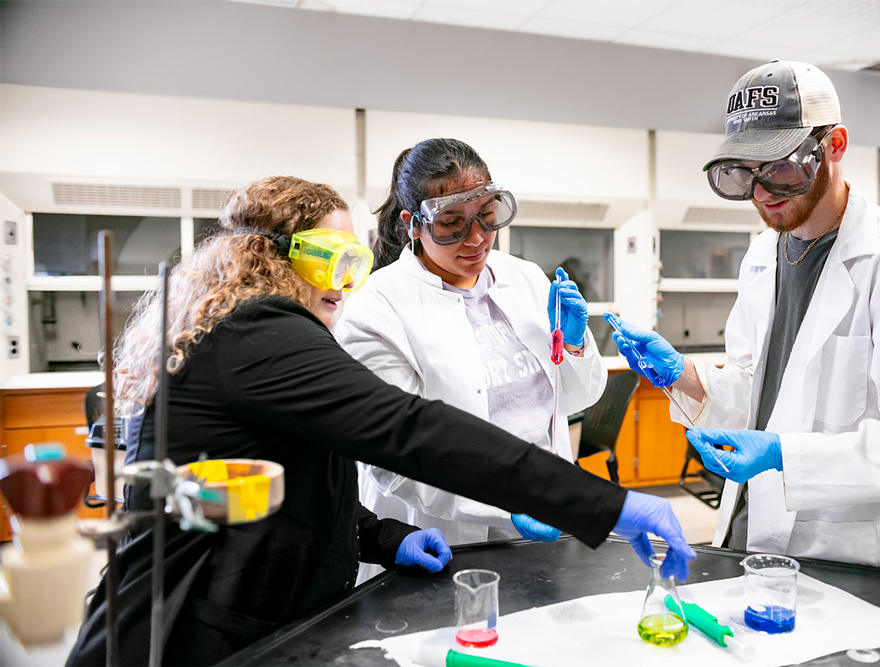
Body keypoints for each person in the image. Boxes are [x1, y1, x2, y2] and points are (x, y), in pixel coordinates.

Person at [66, 176, 694, 666]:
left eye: (356, 262)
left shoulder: (245, 328)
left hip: (239, 600)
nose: (347, 283)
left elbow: (296, 475)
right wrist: (602, 504)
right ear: (276, 258)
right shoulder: (260, 331)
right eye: (333, 261)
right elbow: (412, 429)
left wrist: (382, 537)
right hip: (192, 628)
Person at [610, 60, 880, 576]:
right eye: (745, 174)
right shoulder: (763, 255)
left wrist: (787, 456)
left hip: (852, 560)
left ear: (836, 145)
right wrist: (685, 377)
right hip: (750, 538)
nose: (761, 193)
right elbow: (762, 392)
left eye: (781, 167)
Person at [336, 138, 607, 556]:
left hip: (548, 511)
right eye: (451, 223)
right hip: (448, 536)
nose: (477, 238)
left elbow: (577, 398)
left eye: (486, 216)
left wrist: (572, 347)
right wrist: (505, 507)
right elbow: (393, 458)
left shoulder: (526, 279)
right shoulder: (376, 310)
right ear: (413, 223)